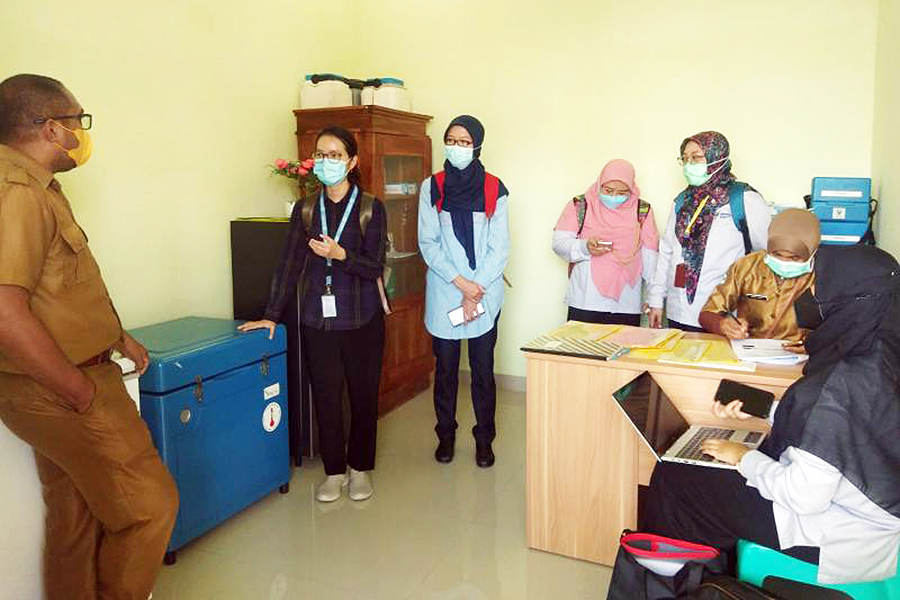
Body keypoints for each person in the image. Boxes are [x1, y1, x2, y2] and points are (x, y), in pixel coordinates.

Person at [0, 74, 179, 600]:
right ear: (51, 128)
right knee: (151, 507)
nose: (83, 133)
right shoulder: (16, 195)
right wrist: (77, 391)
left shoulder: (39, 187)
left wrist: (118, 336)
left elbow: (56, 288)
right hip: (64, 386)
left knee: (76, 513)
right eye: (79, 121)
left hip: (60, 380)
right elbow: (6, 311)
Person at [641, 245, 900, 584]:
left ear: (849, 301)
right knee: (707, 476)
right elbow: (841, 432)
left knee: (675, 478)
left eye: (819, 288)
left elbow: (804, 496)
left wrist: (743, 457)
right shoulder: (880, 353)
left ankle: (672, 584)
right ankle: (705, 573)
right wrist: (763, 411)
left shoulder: (841, 384)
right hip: (871, 520)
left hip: (838, 534)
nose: (809, 295)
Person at [239, 126, 387, 503]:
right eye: (321, 154)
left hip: (362, 318)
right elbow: (288, 265)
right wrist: (271, 314)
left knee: (363, 396)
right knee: (325, 394)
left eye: (335, 155)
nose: (327, 161)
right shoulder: (306, 209)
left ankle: (360, 469)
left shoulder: (370, 207)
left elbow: (374, 267)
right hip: (318, 320)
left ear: (352, 162)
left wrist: (341, 256)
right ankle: (334, 472)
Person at [418, 115, 509, 468]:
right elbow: (429, 241)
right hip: (446, 291)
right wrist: (461, 284)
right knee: (445, 372)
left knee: (483, 372)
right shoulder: (433, 187)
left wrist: (475, 289)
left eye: (464, 141)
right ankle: (446, 436)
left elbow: (499, 248)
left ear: (478, 146)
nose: (457, 147)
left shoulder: (495, 188)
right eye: (451, 140)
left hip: (484, 294)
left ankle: (484, 439)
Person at [647, 131, 771, 331]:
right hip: (677, 309)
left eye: (696, 157)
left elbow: (765, 252)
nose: (689, 165)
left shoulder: (743, 199)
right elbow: (667, 251)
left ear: (718, 157)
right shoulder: (682, 201)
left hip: (722, 313)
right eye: (685, 159)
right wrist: (655, 300)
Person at [552, 159, 659, 325]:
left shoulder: (642, 210)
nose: (614, 196)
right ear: (600, 184)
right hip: (586, 300)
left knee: (624, 349)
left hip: (626, 303)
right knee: (581, 349)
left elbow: (650, 257)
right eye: (608, 190)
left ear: (631, 189)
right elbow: (559, 244)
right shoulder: (581, 204)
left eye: (622, 192)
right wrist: (585, 247)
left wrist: (654, 299)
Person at [699, 208, 820, 342]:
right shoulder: (748, 266)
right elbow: (707, 313)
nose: (784, 262)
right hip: (750, 351)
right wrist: (723, 325)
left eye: (794, 258)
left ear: (812, 253)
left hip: (803, 354)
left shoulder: (826, 275)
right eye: (777, 254)